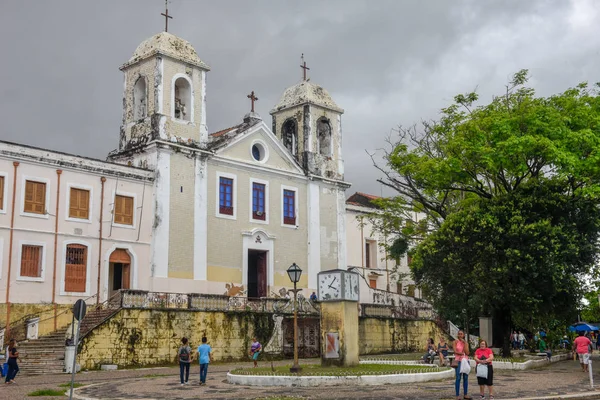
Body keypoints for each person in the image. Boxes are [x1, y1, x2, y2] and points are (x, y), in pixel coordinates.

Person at [453, 330, 471, 400]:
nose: (460, 335)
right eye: (459, 334)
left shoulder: (465, 343)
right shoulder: (455, 342)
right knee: (458, 378)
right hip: (458, 361)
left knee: (465, 378)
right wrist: (461, 353)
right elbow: (455, 351)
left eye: (461, 334)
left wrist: (465, 343)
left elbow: (467, 353)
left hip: (465, 360)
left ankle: (465, 394)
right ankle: (457, 395)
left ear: (463, 335)